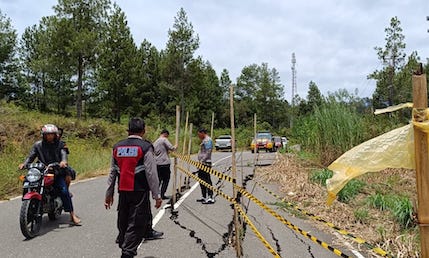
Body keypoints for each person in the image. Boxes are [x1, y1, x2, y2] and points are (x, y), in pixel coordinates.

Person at [104, 117, 163, 258]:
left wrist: (109, 193)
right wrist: (157, 195)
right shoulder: (145, 147)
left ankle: (124, 244)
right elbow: (151, 173)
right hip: (139, 191)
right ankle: (127, 253)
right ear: (143, 131)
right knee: (136, 223)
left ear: (128, 130)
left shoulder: (117, 147)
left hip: (122, 191)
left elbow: (113, 171)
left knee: (123, 219)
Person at [19, 124, 81, 225]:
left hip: (56, 172)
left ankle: (72, 215)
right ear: (43, 135)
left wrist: (63, 162)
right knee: (28, 183)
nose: (49, 136)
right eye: (47, 134)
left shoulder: (61, 144)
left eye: (51, 134)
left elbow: (64, 155)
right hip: (41, 171)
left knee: (64, 191)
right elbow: (30, 157)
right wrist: (24, 164)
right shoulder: (38, 145)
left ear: (55, 135)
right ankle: (29, 210)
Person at [153, 129, 177, 200]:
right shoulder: (164, 139)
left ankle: (156, 194)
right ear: (166, 134)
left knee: (159, 179)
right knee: (166, 179)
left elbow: (158, 151)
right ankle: (162, 194)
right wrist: (175, 146)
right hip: (164, 163)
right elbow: (171, 148)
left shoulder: (156, 141)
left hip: (157, 163)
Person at [196, 128, 215, 204]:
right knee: (201, 180)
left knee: (207, 180)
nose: (198, 136)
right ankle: (204, 196)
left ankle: (210, 197)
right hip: (202, 163)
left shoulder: (208, 140)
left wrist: (202, 161)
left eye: (199, 134)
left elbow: (208, 152)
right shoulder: (204, 140)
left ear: (203, 133)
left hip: (206, 163)